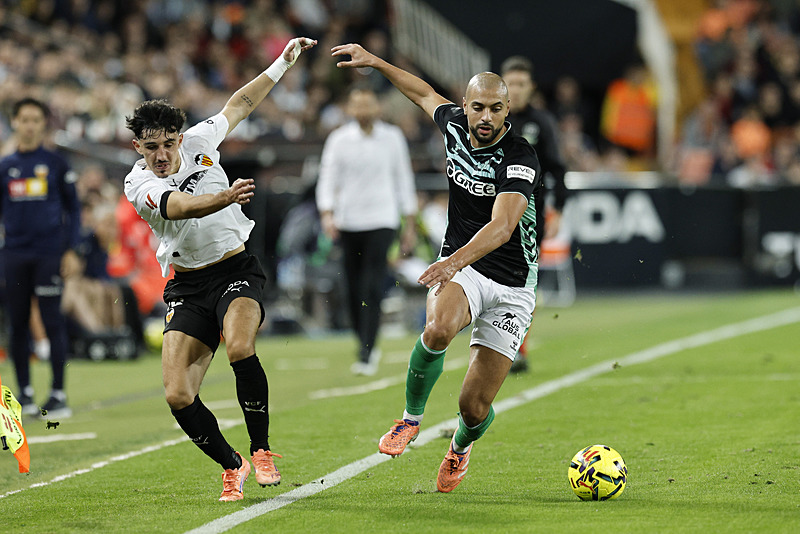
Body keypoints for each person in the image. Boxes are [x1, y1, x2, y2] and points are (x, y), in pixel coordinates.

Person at [331, 43, 542, 493]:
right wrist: (376, 62)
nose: (485, 117)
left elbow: (502, 227)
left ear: (508, 110)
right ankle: (410, 419)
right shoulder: (453, 126)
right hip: (466, 270)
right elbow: (422, 92)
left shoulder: (520, 157)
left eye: (496, 108)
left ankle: (460, 447)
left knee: (473, 407)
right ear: (464, 105)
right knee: (439, 328)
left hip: (511, 282)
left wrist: (450, 261)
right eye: (478, 107)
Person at [123, 37, 316, 502]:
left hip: (235, 270)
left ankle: (261, 450)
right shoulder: (138, 182)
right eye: (151, 147)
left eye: (168, 143)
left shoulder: (200, 140)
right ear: (137, 146)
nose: (161, 155)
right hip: (188, 285)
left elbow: (241, 103)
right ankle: (233, 465)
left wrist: (281, 63)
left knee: (241, 345)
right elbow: (179, 206)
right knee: (177, 395)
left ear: (180, 137)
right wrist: (225, 197)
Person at [316, 85, 418, 376]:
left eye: (368, 104)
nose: (363, 110)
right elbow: (328, 177)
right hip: (348, 221)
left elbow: (403, 178)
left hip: (383, 219)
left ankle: (367, 350)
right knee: (351, 287)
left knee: (372, 285)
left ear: (377, 107)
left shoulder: (393, 137)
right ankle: (363, 340)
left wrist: (409, 222)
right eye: (358, 105)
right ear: (350, 109)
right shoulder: (339, 139)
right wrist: (327, 213)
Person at [0, 97, 82, 419]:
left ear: (44, 123)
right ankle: (25, 394)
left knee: (52, 321)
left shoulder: (57, 163)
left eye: (36, 119)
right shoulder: (5, 167)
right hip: (14, 255)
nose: (30, 125)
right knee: (18, 322)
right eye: (25, 119)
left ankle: (58, 394)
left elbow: (73, 209)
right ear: (15, 122)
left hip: (49, 254)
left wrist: (71, 249)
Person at [500, 56, 569, 374]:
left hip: (530, 217)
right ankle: (495, 345)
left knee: (523, 282)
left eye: (521, 84)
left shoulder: (541, 123)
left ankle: (518, 348)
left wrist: (559, 210)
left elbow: (557, 168)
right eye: (510, 83)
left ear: (531, 88)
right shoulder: (489, 119)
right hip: (489, 214)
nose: (515, 89)